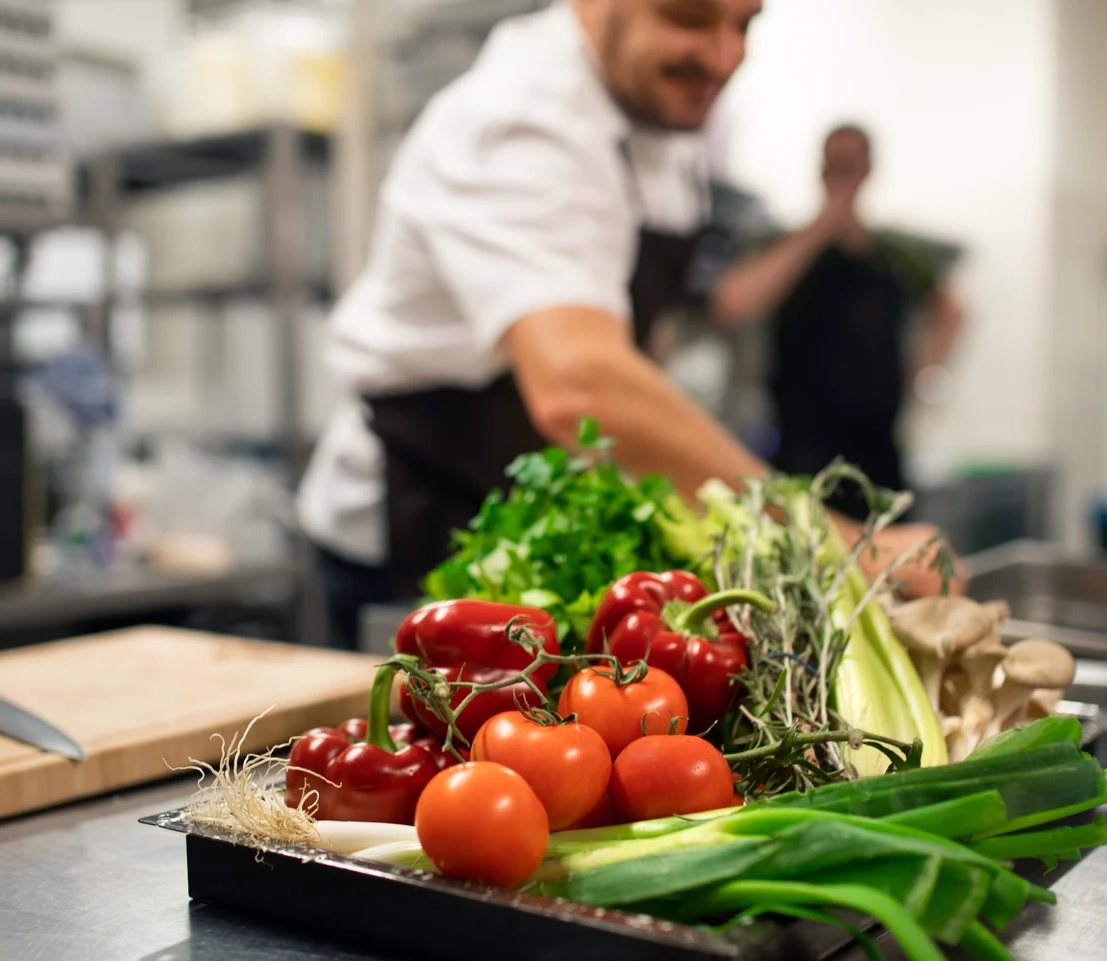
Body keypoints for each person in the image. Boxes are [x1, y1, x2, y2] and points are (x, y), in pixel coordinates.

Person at [298, 2, 952, 650]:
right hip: (416, 524)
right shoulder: (522, 119)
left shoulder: (657, 114)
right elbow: (581, 385)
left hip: (542, 522)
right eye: (689, 17)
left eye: (744, 24)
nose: (726, 57)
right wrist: (836, 543)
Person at [711, 124, 966, 517]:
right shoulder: (786, 244)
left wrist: (922, 376)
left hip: (879, 455)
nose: (843, 175)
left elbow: (951, 308)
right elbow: (732, 302)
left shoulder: (894, 255)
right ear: (821, 169)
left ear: (868, 170)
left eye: (851, 164)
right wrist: (823, 225)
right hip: (801, 454)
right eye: (835, 164)